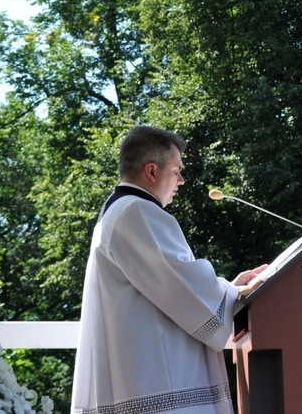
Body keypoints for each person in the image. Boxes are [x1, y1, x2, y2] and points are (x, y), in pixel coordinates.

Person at [71, 125, 267, 414]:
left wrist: (227, 287)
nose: (182, 180)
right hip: (159, 383)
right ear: (152, 171)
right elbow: (180, 282)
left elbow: (174, 282)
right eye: (176, 170)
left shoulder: (121, 210)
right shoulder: (136, 211)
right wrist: (232, 292)